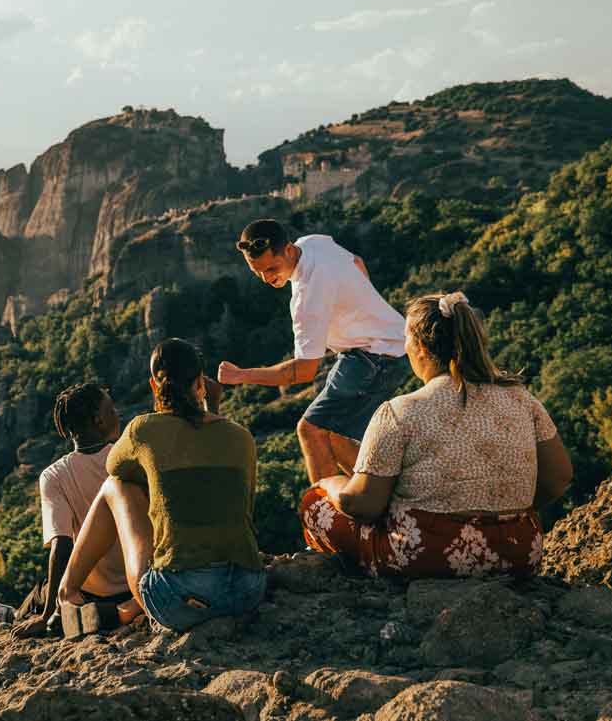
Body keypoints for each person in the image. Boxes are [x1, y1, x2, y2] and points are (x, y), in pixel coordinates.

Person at [298, 292, 574, 578]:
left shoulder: (399, 411)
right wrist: (503, 517)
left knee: (314, 504)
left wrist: (331, 484)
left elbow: (364, 506)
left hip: (429, 556)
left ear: (421, 347)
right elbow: (559, 477)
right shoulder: (522, 400)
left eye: (406, 339)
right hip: (519, 553)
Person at [57, 338, 266, 633]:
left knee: (115, 486)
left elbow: (114, 469)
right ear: (200, 383)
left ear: (155, 386)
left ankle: (67, 593)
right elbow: (238, 507)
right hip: (248, 591)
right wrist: (213, 406)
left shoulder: (143, 430)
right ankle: (126, 611)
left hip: (178, 600)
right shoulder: (241, 437)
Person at [219, 218, 412, 484]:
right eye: (258, 272)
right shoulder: (313, 243)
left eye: (271, 268)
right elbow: (356, 262)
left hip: (374, 357)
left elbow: (303, 372)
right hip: (388, 346)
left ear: (287, 250)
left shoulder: (306, 295)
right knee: (332, 436)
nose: (266, 278)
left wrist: (241, 376)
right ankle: (382, 496)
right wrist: (362, 308)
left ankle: (327, 519)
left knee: (310, 431)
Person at [0, 383, 134, 636]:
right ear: (99, 421)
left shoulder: (55, 475)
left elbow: (62, 546)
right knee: (44, 589)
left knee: (44, 590)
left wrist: (46, 617)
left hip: (90, 594)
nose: (116, 413)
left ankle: (10, 616)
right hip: (136, 585)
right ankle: (13, 614)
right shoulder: (129, 458)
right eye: (111, 409)